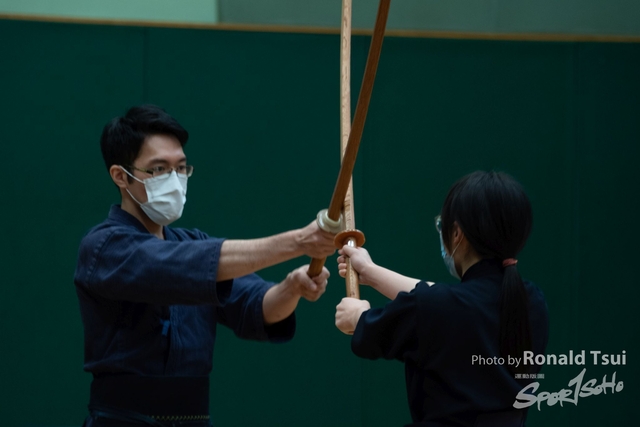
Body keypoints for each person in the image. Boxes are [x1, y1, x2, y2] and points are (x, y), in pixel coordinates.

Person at [74, 104, 334, 427]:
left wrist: (291, 288)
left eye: (181, 168)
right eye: (158, 169)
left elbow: (259, 307)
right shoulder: (104, 246)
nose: (174, 179)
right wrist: (298, 242)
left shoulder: (191, 242)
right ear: (120, 176)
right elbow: (176, 267)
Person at [335, 171, 549, 427]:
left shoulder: (439, 308)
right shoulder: (532, 301)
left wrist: (357, 314)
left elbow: (367, 328)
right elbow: (449, 302)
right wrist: (370, 272)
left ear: (457, 234)